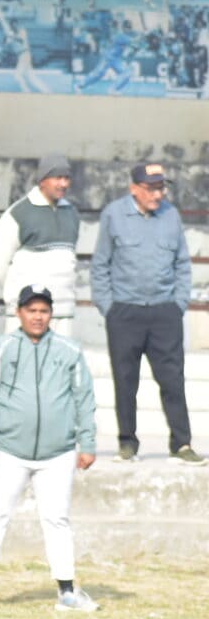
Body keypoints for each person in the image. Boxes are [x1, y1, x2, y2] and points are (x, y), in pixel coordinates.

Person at [0, 287, 99, 612]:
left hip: (59, 452)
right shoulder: (1, 348)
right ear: (19, 313)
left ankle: (66, 590)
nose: (38, 317)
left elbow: (84, 399)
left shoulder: (69, 350)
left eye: (44, 311)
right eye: (31, 310)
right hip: (8, 450)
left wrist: (87, 443)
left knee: (57, 519)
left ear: (51, 315)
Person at [92, 163, 200, 463]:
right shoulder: (114, 215)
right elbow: (100, 264)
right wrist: (108, 307)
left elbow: (182, 264)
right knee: (126, 381)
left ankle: (181, 444)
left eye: (160, 187)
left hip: (165, 312)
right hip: (124, 312)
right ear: (134, 189)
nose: (158, 193)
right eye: (151, 188)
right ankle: (127, 442)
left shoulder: (171, 216)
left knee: (173, 380)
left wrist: (178, 304)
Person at [0, 155, 81, 340]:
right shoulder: (18, 213)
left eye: (66, 178)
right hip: (27, 312)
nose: (63, 184)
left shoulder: (71, 213)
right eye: (57, 178)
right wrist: (18, 298)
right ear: (43, 180)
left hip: (63, 310)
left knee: (60, 365)